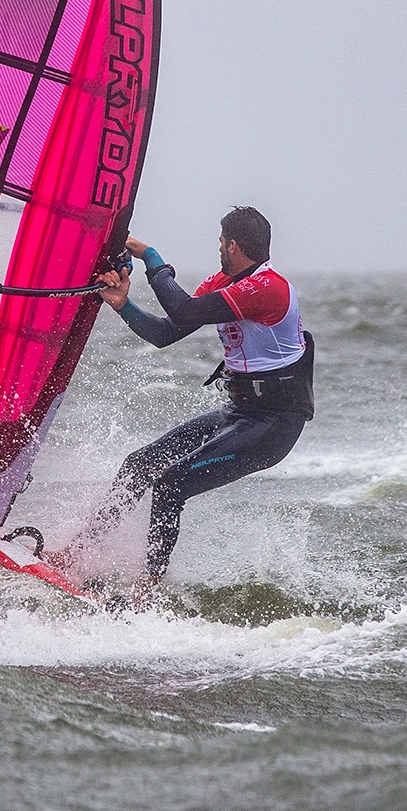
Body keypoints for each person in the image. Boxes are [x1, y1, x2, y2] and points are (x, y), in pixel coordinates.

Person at [50, 207, 314, 596]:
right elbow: (165, 333)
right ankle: (76, 554)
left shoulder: (268, 288)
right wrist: (123, 305)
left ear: (233, 245)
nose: (218, 248)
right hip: (239, 413)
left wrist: (151, 257)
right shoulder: (226, 282)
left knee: (171, 484)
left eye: (221, 242)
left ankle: (148, 590)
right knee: (139, 465)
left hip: (274, 425)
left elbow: (183, 309)